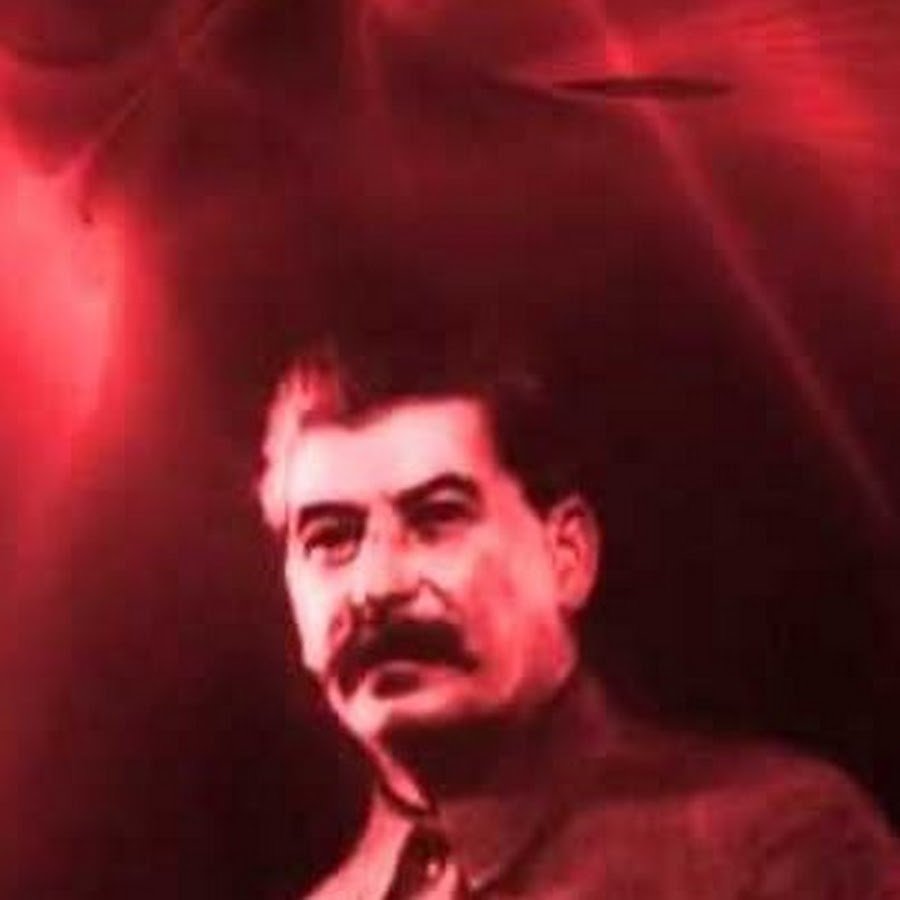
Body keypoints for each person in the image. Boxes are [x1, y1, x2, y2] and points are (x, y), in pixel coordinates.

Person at [256, 316, 900, 899]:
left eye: (437, 519)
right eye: (331, 539)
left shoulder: (779, 846)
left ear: (568, 555)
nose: (375, 585)